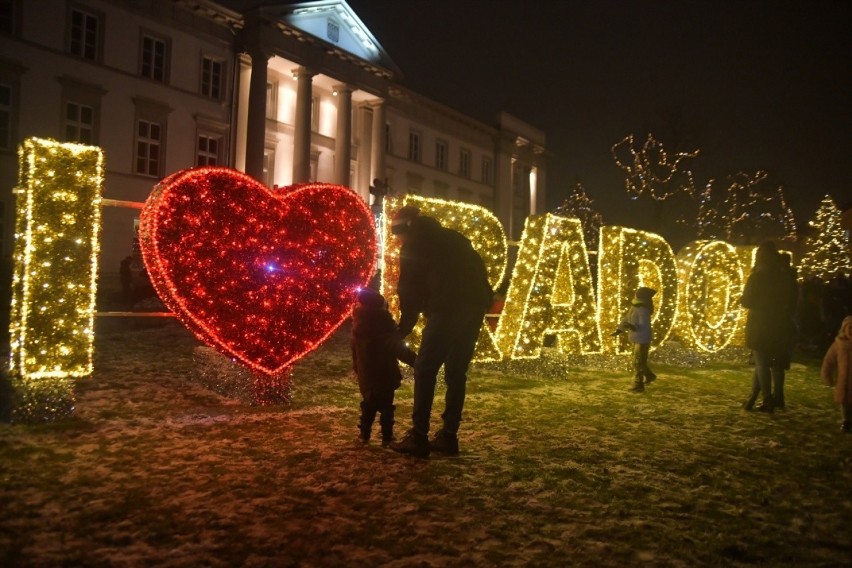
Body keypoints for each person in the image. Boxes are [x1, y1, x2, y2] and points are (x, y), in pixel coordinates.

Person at [388, 206, 493, 458]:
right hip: (473, 308)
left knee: (425, 369)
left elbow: (409, 291)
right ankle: (448, 436)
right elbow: (480, 270)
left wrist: (404, 328)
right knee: (456, 372)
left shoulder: (414, 246)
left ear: (406, 230)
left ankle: (419, 436)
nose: (399, 241)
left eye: (398, 235)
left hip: (447, 309)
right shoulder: (454, 238)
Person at [351, 287, 416, 446]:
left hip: (366, 374)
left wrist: (358, 369)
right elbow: (398, 349)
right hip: (385, 374)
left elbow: (355, 352)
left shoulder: (359, 326)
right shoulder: (385, 327)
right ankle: (387, 437)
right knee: (386, 406)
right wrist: (417, 361)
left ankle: (364, 434)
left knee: (369, 404)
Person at [740, 241, 796, 413]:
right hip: (779, 323)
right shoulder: (784, 277)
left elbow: (747, 301)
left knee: (761, 362)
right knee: (777, 362)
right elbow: (792, 300)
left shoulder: (757, 277)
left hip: (760, 323)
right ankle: (778, 397)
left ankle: (767, 398)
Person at [614, 286, 657, 393]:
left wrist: (633, 327)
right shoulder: (635, 306)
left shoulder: (643, 309)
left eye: (637, 293)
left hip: (642, 339)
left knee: (637, 362)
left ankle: (638, 384)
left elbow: (644, 325)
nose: (635, 294)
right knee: (639, 361)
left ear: (641, 295)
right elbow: (627, 318)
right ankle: (649, 375)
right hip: (636, 337)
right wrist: (620, 329)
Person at [770, 251, 799, 408]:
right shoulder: (791, 280)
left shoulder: (784, 281)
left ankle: (777, 396)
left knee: (776, 362)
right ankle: (777, 395)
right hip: (786, 324)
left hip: (781, 325)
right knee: (777, 363)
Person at [821, 315, 852, 432]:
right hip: (843, 380)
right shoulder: (838, 345)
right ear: (844, 329)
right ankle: (846, 421)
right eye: (849, 328)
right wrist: (826, 375)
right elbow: (828, 361)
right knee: (844, 403)